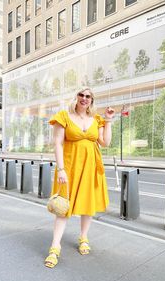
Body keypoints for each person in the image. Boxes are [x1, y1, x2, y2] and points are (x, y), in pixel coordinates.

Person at [45, 87, 115, 268]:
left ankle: (83, 237)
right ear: (76, 97)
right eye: (81, 95)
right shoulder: (64, 116)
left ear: (92, 100)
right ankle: (55, 246)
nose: (84, 98)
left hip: (90, 166)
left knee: (87, 205)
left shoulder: (96, 119)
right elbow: (58, 144)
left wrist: (108, 120)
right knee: (63, 206)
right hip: (69, 166)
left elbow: (105, 142)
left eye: (88, 96)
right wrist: (60, 169)